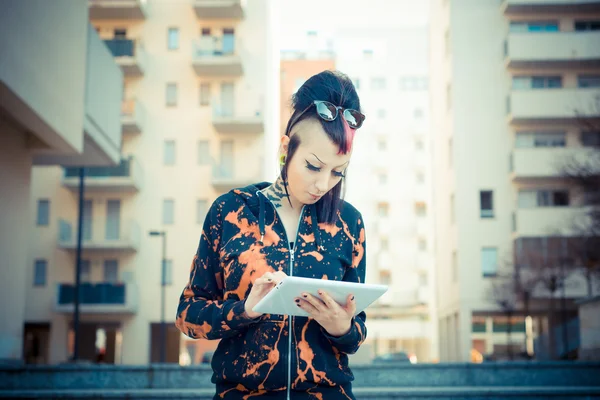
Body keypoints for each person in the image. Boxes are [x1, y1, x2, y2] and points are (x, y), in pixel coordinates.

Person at [175, 70, 368, 399]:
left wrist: (344, 329)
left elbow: (357, 330)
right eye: (312, 165)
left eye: (338, 172)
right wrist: (245, 311)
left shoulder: (349, 223)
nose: (323, 184)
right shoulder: (230, 212)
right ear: (285, 149)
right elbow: (188, 316)